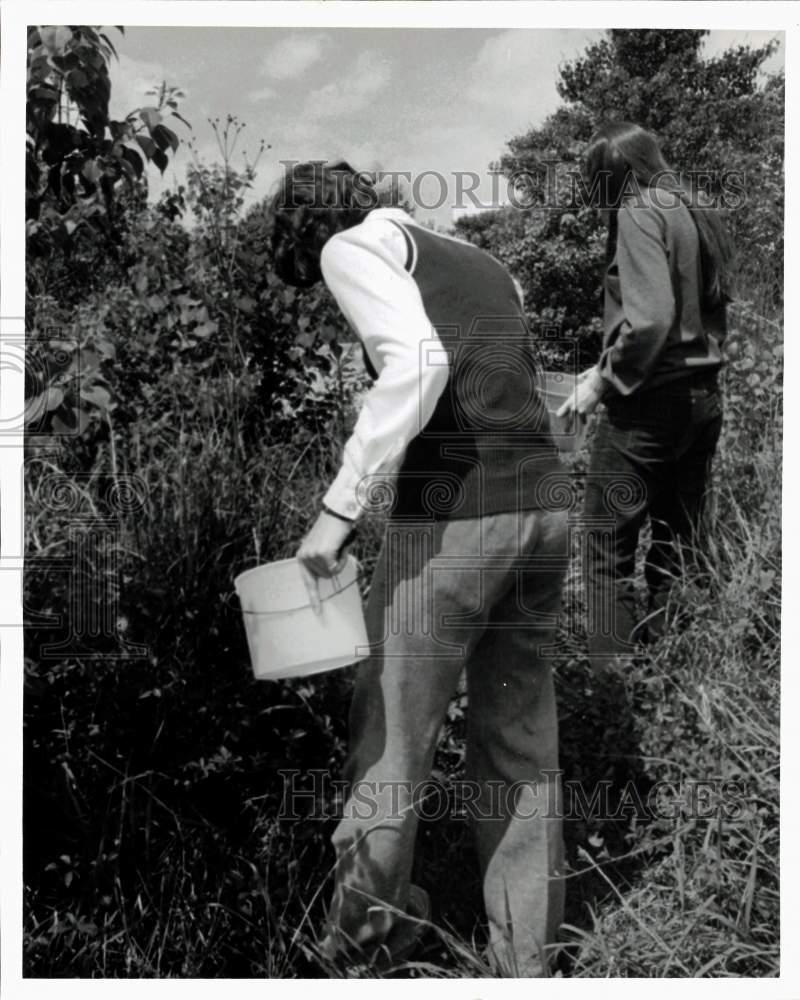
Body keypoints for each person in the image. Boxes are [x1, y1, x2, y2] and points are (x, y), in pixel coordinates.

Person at [269, 161, 570, 976]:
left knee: (391, 740)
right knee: (518, 740)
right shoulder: (474, 257)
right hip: (545, 505)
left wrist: (338, 513)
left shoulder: (351, 245)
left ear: (307, 227)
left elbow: (417, 364)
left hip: (459, 518)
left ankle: (368, 948)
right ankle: (525, 960)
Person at [558, 122, 732, 661]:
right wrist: (608, 363)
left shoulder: (637, 211)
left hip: (649, 406)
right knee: (676, 538)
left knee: (606, 544)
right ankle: (672, 666)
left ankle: (613, 691)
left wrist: (604, 381)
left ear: (612, 178)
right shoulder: (691, 209)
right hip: (701, 398)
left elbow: (652, 320)